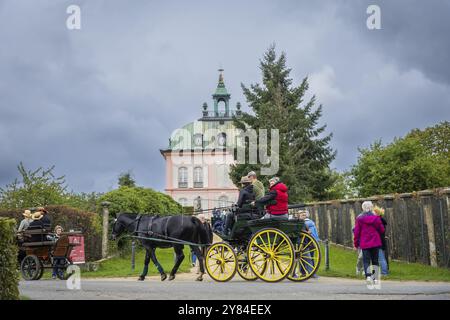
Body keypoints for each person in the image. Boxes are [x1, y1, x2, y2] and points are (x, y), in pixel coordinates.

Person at [353, 201, 385, 285]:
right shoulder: (376, 218)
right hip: (375, 242)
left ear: (363, 208)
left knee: (366, 260)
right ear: (371, 208)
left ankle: (368, 276)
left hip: (365, 242)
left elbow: (357, 232)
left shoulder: (359, 219)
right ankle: (375, 279)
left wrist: (356, 243)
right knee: (375, 260)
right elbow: (382, 230)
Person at [298, 210, 320, 278]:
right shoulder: (298, 223)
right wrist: (307, 232)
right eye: (302, 215)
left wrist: (308, 232)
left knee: (308, 258)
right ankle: (302, 273)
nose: (304, 216)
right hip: (299, 243)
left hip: (305, 243)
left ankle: (311, 273)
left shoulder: (305, 223)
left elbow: (309, 231)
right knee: (301, 259)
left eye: (304, 215)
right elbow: (299, 231)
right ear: (299, 216)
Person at [373, 206, 389, 276]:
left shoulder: (378, 221)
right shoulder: (381, 220)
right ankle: (384, 272)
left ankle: (384, 273)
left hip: (378, 241)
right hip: (381, 240)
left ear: (376, 213)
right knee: (381, 258)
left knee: (381, 258)